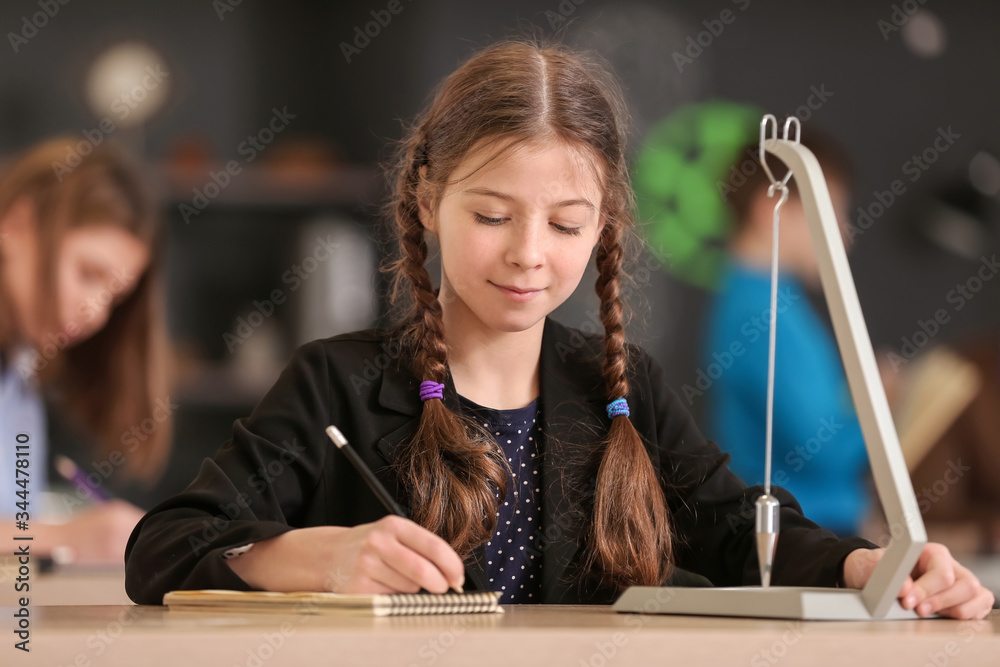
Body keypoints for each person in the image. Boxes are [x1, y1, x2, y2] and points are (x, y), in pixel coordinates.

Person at [124, 41, 992, 619]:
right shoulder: (336, 382)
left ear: (605, 226)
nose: (528, 255)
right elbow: (160, 548)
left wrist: (873, 567)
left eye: (567, 224)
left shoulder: (620, 387)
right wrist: (305, 559)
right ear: (427, 198)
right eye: (493, 214)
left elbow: (737, 530)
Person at [0, 137, 172, 564]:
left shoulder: (20, 376)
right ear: (18, 223)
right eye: (89, 273)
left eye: (114, 298)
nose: (95, 314)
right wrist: (68, 538)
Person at [701, 135, 874, 537]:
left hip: (808, 529)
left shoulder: (771, 301)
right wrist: (882, 406)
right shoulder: (761, 312)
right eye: (830, 214)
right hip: (803, 535)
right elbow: (824, 451)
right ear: (771, 208)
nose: (845, 234)